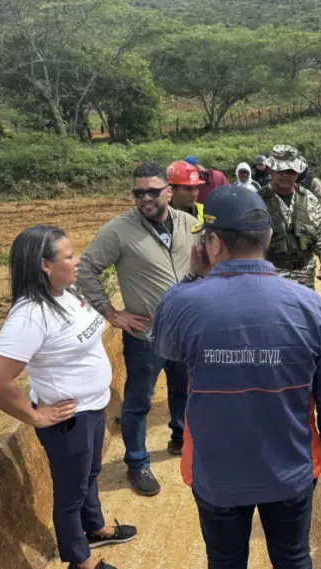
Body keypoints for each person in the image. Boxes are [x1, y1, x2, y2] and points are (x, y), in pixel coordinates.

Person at [151, 184, 321, 569]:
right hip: (290, 468)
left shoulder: (184, 302)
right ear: (270, 236)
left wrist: (194, 278)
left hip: (217, 472)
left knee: (225, 560)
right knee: (293, 557)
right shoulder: (308, 304)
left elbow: (165, 347)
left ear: (212, 243)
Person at [0, 226, 137, 569]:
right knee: (71, 494)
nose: (77, 260)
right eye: (68, 256)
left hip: (93, 408)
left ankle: (95, 527)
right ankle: (79, 560)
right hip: (70, 420)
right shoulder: (30, 315)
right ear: (45, 266)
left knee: (90, 473)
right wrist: (35, 416)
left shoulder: (67, 292)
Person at [77, 163, 196, 497]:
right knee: (138, 400)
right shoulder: (118, 230)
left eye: (152, 191)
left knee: (183, 388)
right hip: (146, 333)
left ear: (169, 192)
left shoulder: (189, 223)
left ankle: (180, 436)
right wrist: (112, 315)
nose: (145, 198)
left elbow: (205, 261)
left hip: (184, 328)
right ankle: (137, 462)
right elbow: (86, 270)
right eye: (138, 192)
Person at [259, 144, 321, 290]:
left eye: (290, 171)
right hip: (271, 274)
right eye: (280, 171)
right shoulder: (258, 201)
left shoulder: (309, 198)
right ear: (270, 171)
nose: (285, 175)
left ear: (297, 172)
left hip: (305, 274)